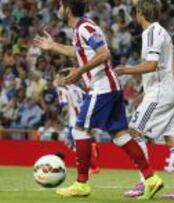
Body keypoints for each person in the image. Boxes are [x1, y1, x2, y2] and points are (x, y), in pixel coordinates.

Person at [34, 0, 162, 199]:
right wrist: (53, 46)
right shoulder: (81, 28)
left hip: (102, 88)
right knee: (120, 135)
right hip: (108, 87)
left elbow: (104, 54)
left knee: (79, 129)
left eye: (61, 5)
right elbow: (80, 52)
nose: (59, 9)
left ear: (68, 9)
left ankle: (81, 183)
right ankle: (151, 179)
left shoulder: (85, 27)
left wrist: (80, 73)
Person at [114, 0, 174, 200]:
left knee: (133, 133)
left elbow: (151, 65)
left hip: (160, 93)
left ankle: (146, 181)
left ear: (140, 13)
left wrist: (125, 70)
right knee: (172, 139)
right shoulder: (161, 31)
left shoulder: (151, 33)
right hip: (167, 91)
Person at [55, 73, 100, 174]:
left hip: (74, 121)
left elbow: (65, 108)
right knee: (76, 144)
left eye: (58, 78)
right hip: (83, 118)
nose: (57, 80)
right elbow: (88, 98)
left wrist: (60, 118)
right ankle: (91, 153)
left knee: (72, 144)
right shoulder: (76, 88)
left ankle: (92, 166)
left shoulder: (61, 89)